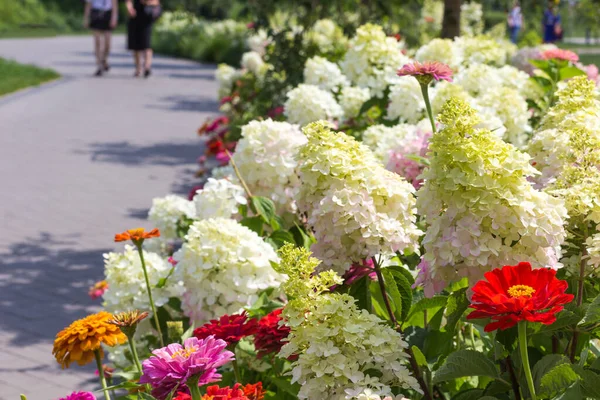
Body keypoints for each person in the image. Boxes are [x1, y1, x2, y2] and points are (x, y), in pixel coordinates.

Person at [126, 0, 161, 78]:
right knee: (136, 47)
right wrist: (130, 8)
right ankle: (138, 68)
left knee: (146, 45)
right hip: (134, 18)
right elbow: (128, 1)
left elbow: (156, 2)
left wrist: (146, 2)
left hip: (146, 18)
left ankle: (147, 67)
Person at [83, 0, 118, 76]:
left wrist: (114, 18)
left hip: (107, 13)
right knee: (97, 41)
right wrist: (86, 18)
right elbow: (88, 4)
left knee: (107, 44)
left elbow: (114, 4)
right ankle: (99, 66)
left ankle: (104, 59)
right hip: (96, 13)